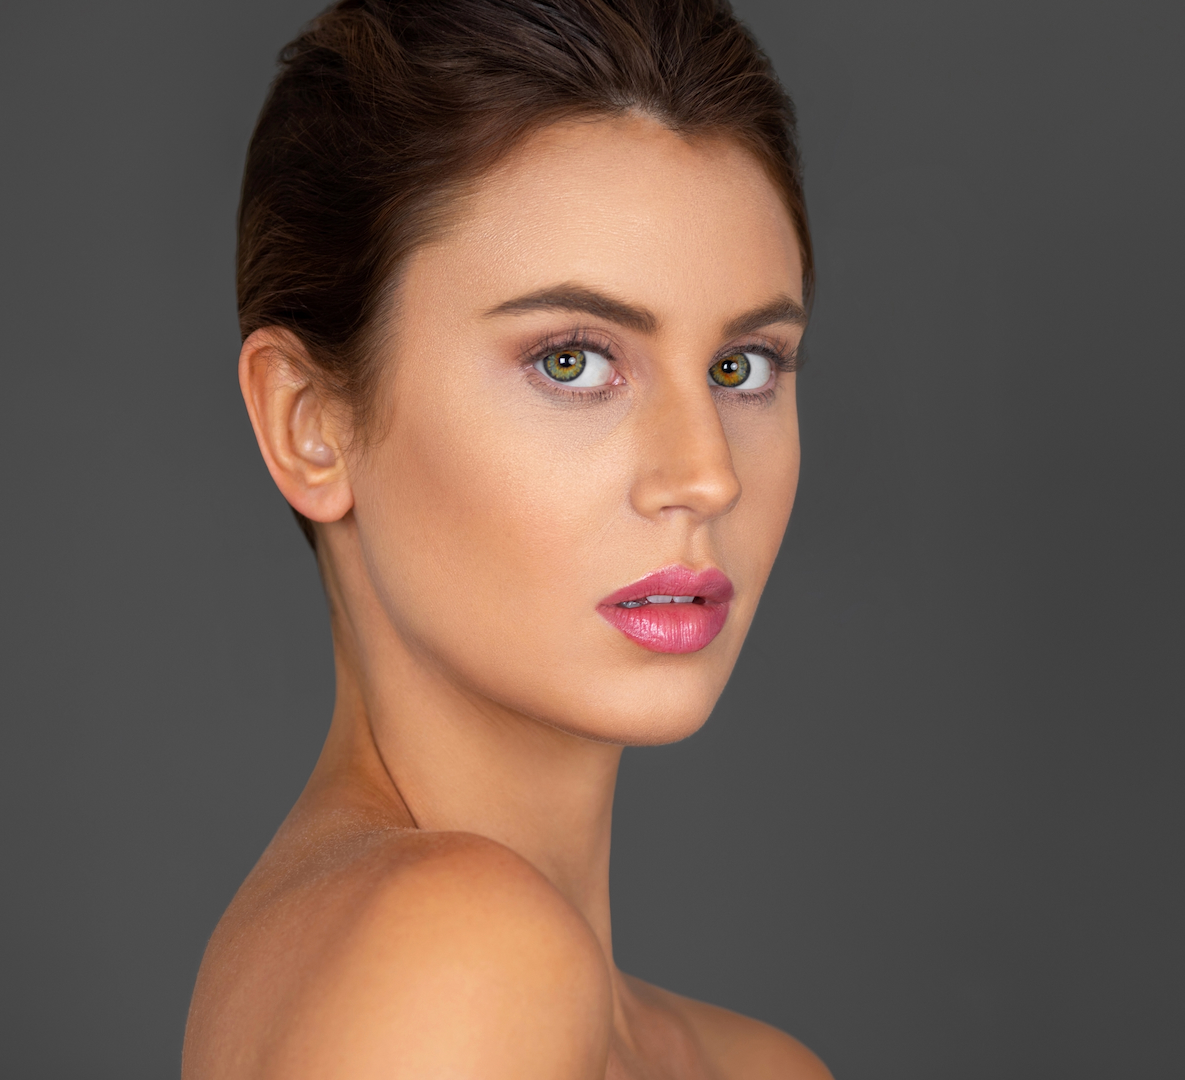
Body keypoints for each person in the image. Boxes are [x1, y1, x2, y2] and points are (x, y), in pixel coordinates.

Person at [183, 1, 828, 1075]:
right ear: (309, 423)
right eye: (572, 361)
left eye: (743, 366)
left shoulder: (756, 1065)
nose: (706, 474)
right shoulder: (453, 959)